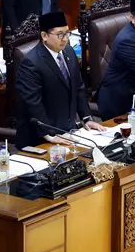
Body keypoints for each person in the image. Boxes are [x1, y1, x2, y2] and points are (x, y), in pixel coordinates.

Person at [16, 11, 105, 149]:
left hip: (67, 133)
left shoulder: (69, 52)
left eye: (67, 33)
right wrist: (50, 134)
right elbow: (33, 103)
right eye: (59, 35)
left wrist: (86, 118)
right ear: (44, 36)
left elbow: (79, 88)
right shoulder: (31, 63)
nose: (65, 39)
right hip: (40, 139)